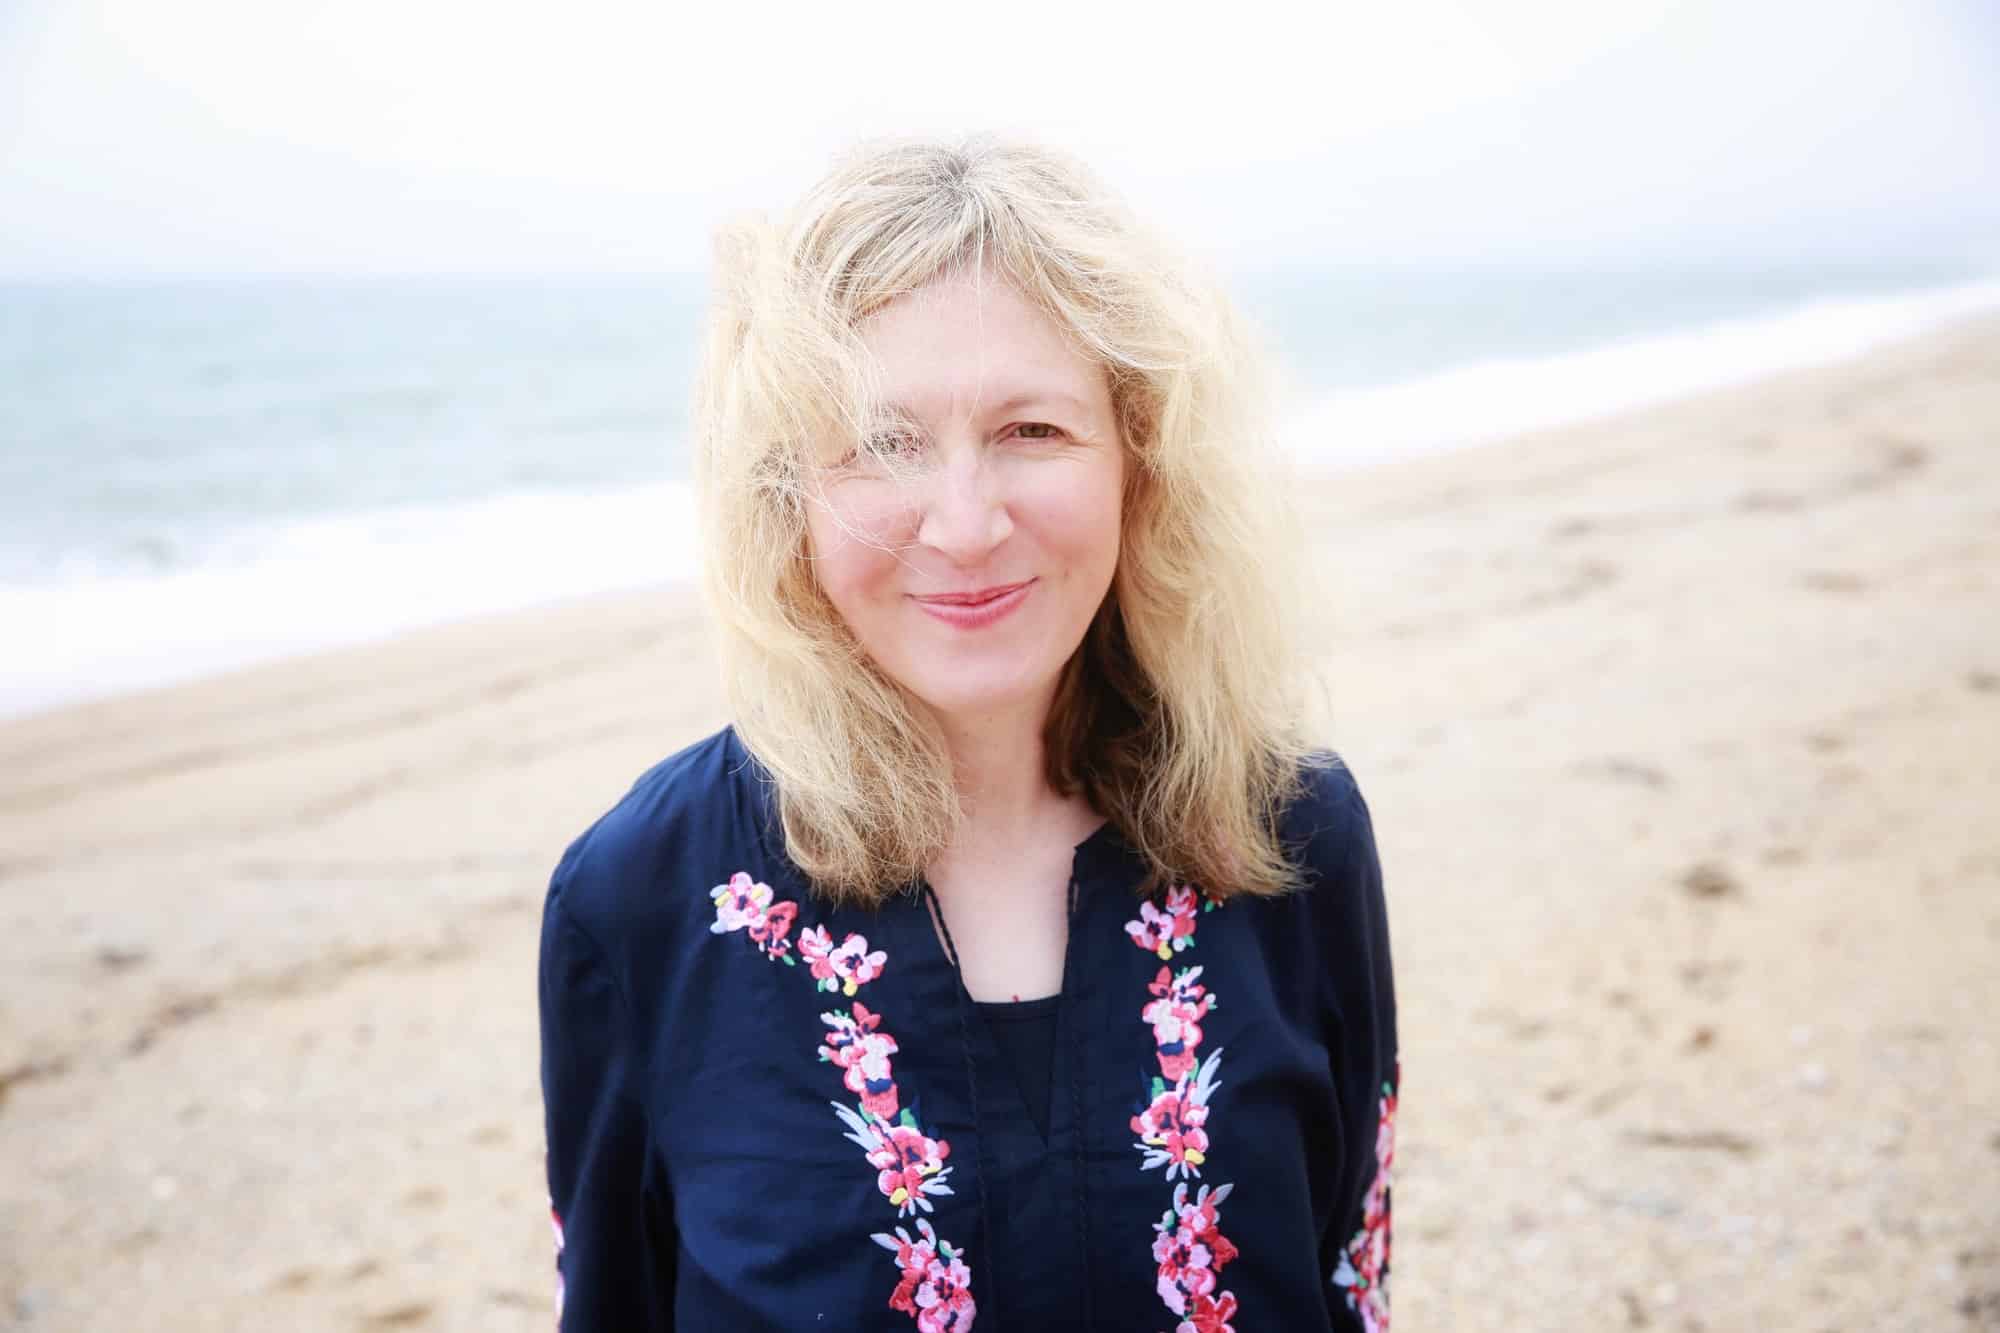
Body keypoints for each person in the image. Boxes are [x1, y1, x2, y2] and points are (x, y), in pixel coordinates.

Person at [537, 133, 1398, 1333]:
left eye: (1030, 430)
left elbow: (1349, 1276)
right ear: (788, 493)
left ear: (1138, 462)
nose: (963, 522)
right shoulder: (638, 898)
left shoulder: (1293, 834)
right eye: (881, 443)